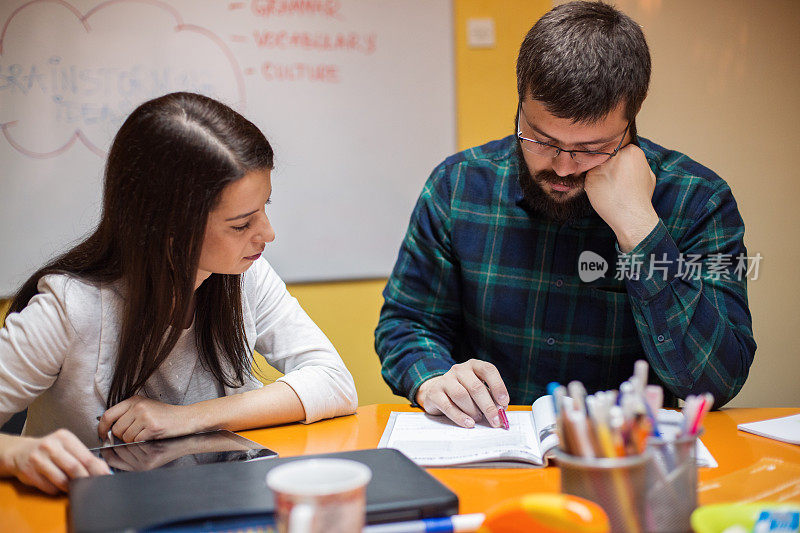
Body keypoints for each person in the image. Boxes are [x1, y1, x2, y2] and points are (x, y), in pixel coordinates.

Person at [375, 1, 755, 429]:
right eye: (541, 140)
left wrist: (639, 228)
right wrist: (434, 378)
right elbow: (405, 324)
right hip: (491, 449)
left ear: (630, 125)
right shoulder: (459, 185)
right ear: (520, 103)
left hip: (628, 460)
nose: (562, 167)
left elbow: (718, 381)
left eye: (591, 149)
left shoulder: (697, 200)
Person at [0, 92, 357, 494]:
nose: (268, 234)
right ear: (169, 232)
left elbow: (334, 383)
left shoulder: (245, 276)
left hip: (219, 504)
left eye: (265, 207)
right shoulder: (68, 309)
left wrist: (187, 417)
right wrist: (17, 456)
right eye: (241, 224)